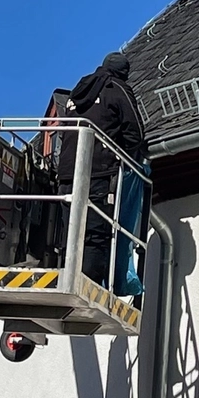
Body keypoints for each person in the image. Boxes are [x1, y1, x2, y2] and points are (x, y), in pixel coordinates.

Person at [58, 52, 150, 290]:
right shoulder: (116, 88)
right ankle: (87, 286)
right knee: (97, 232)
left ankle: (68, 278)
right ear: (123, 73)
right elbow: (135, 134)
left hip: (67, 173)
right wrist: (132, 163)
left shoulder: (77, 93)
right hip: (97, 172)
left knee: (72, 231)